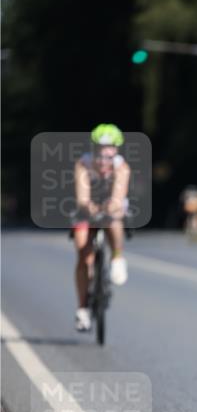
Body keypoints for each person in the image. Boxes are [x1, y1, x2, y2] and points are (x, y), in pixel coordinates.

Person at [72, 124, 130, 331]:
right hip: (86, 209)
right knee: (84, 255)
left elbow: (118, 197)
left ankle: (117, 257)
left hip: (110, 207)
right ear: (94, 148)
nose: (105, 154)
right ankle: (82, 309)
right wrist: (90, 208)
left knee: (114, 219)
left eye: (110, 148)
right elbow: (82, 198)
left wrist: (109, 207)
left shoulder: (121, 167)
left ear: (116, 150)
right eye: (101, 148)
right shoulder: (83, 164)